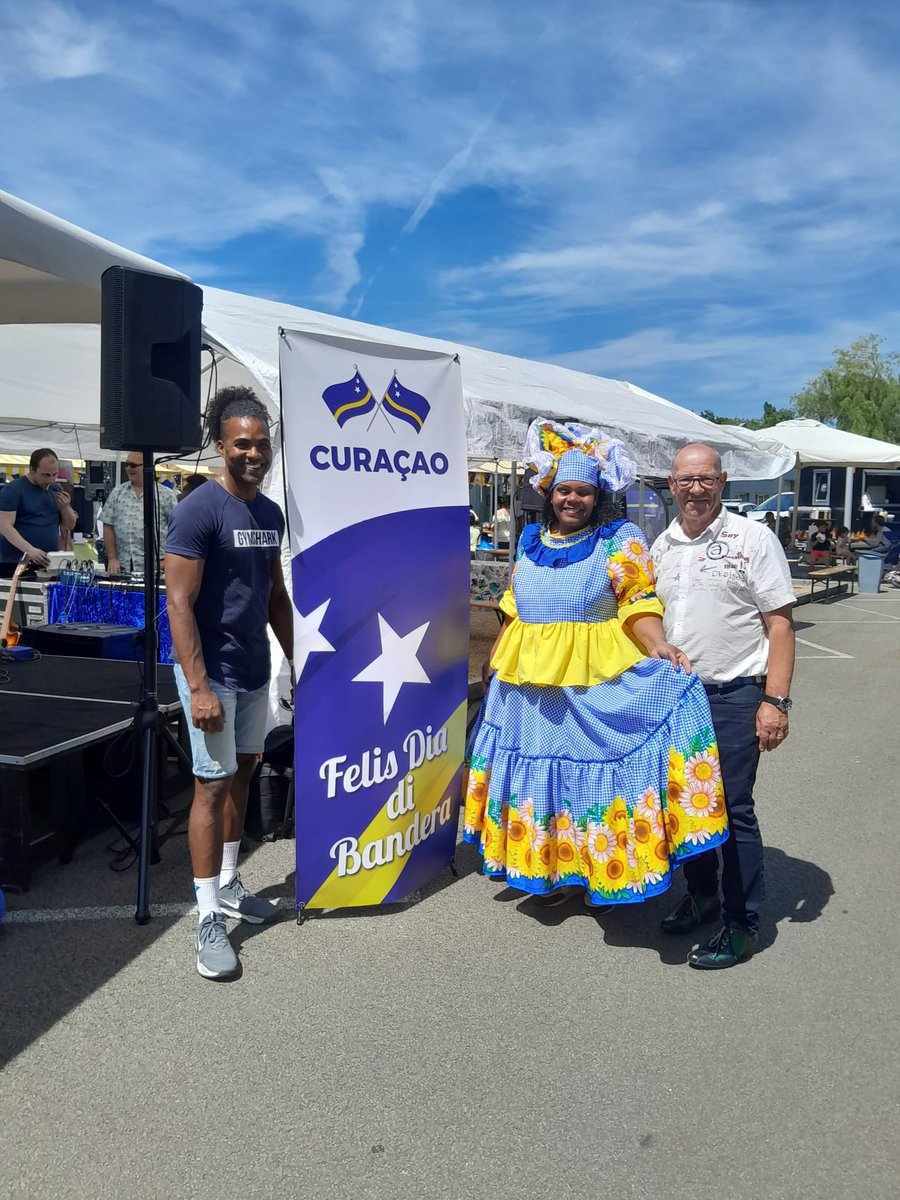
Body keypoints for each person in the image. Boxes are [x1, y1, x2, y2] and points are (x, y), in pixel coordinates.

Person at [464, 420, 728, 913]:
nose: (572, 499)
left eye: (583, 492)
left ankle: (600, 872)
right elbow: (515, 607)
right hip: (527, 692)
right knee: (545, 780)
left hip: (591, 687)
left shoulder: (618, 538)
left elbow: (638, 600)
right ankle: (554, 870)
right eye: (564, 490)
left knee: (591, 779)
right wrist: (496, 655)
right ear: (549, 493)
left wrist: (658, 645)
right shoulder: (530, 540)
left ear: (597, 496)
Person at [165, 386, 294, 979]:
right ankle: (208, 918)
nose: (253, 453)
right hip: (210, 673)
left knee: (242, 773)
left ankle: (230, 880)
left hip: (252, 669)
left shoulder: (269, 514)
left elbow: (274, 596)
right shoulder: (199, 509)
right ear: (221, 444)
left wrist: (295, 660)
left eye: (261, 443)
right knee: (210, 787)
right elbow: (178, 602)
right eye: (242, 443)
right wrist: (198, 687)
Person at [651, 444, 796, 969]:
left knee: (732, 809)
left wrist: (774, 701)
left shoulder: (752, 538)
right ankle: (702, 896)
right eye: (686, 480)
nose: (696, 489)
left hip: (735, 694)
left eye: (706, 479)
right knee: (686, 804)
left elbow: (780, 624)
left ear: (722, 481)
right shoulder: (661, 545)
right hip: (676, 697)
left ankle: (742, 925)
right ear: (672, 484)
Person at [0, 448, 77, 576]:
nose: (51, 479)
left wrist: (65, 508)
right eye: (46, 475)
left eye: (55, 474)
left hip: (49, 563)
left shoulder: (55, 490)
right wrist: (29, 550)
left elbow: (69, 525)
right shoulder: (13, 490)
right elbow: (4, 526)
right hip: (15, 563)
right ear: (32, 469)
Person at [101, 453, 176, 575]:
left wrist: (168, 560)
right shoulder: (118, 492)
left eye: (133, 465)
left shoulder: (166, 495)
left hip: (157, 568)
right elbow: (108, 525)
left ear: (147, 467)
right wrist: (112, 558)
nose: (128, 468)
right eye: (126, 465)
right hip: (124, 566)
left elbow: (178, 529)